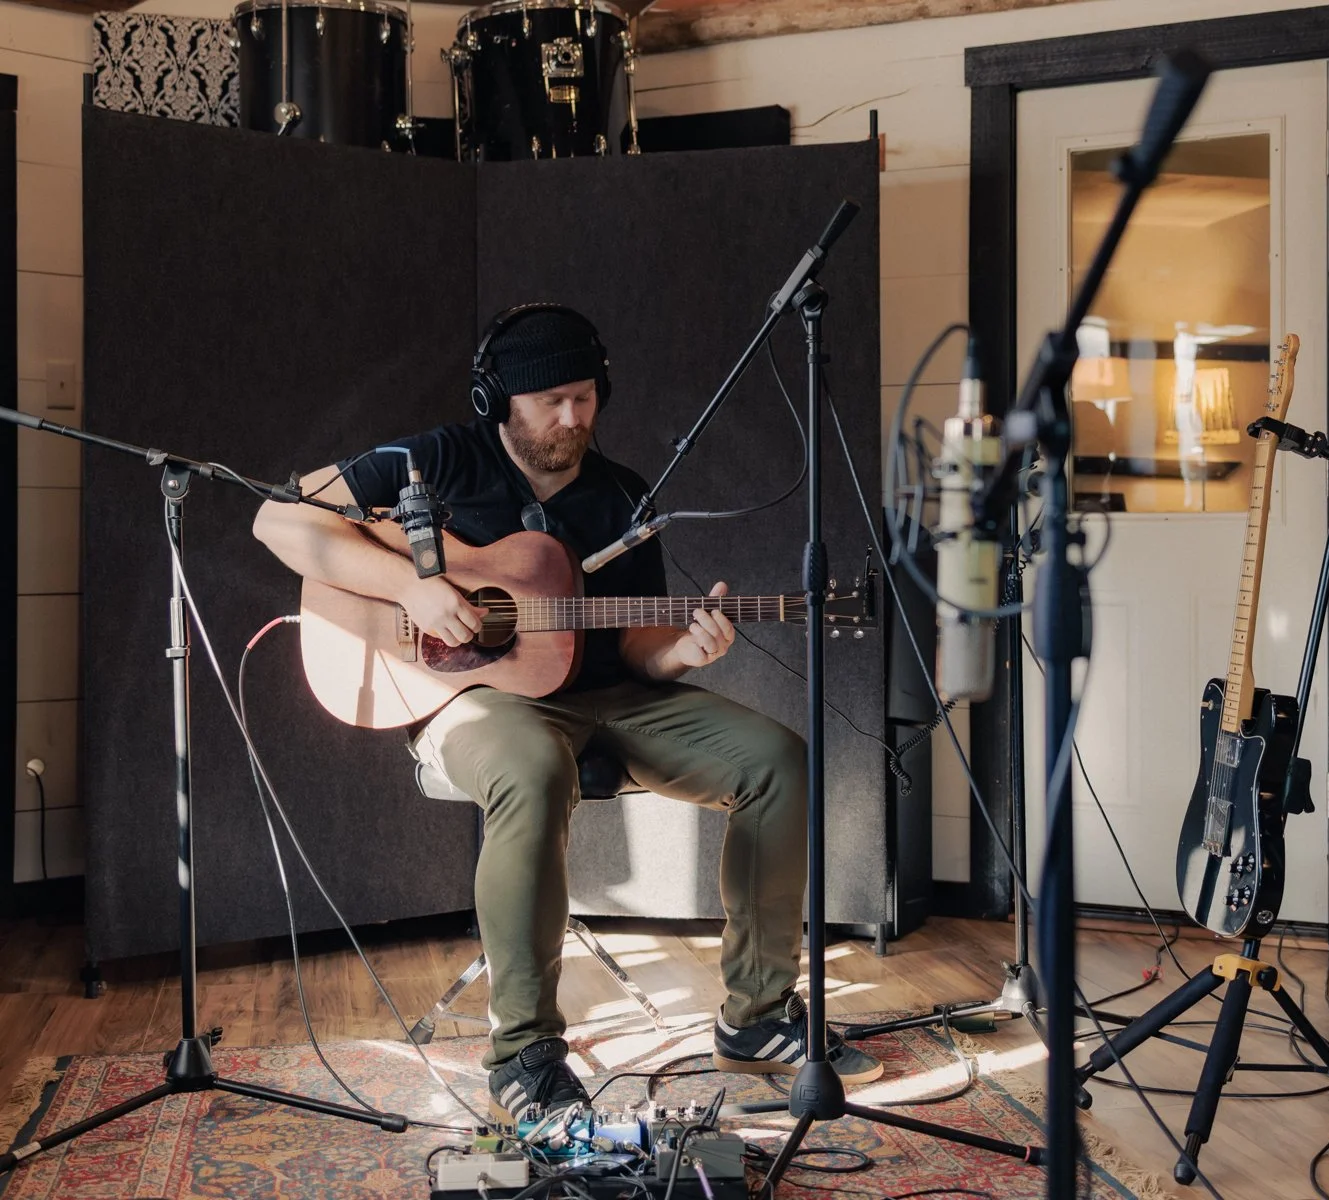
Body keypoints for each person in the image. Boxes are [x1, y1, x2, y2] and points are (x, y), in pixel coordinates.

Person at [252, 303, 882, 1125]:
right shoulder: (437, 459)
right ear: (498, 401)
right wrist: (410, 585)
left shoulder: (622, 494)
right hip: (476, 703)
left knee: (778, 761)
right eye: (550, 401)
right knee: (532, 765)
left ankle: (757, 1017)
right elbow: (278, 518)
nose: (572, 417)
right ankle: (524, 1054)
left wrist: (680, 655)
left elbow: (637, 648)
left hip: (610, 699)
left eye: (584, 397)